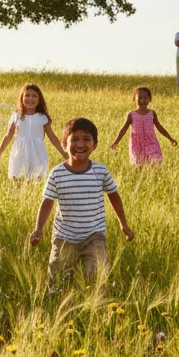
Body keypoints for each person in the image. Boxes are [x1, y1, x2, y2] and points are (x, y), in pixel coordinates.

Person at [30, 117, 133, 282]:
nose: (80, 144)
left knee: (97, 277)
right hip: (64, 237)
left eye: (86, 139)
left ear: (95, 145)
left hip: (94, 236)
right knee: (57, 280)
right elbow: (47, 203)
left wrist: (123, 223)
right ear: (64, 144)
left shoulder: (101, 171)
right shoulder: (57, 174)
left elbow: (114, 196)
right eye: (74, 139)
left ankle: (97, 304)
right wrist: (38, 229)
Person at [0, 83, 68, 181]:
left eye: (34, 96)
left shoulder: (42, 117)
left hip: (37, 153)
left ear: (39, 99)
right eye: (27, 95)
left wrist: (63, 152)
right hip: (19, 153)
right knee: (18, 180)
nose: (30, 99)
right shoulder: (17, 115)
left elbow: (52, 137)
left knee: (35, 180)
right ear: (22, 98)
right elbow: (8, 136)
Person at [110, 86, 178, 165]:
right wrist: (116, 142)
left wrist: (170, 138)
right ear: (134, 99)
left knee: (155, 163)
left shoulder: (152, 113)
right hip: (137, 144)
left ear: (150, 99)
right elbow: (123, 129)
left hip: (151, 142)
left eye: (145, 98)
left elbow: (160, 127)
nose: (142, 100)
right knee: (139, 166)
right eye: (140, 98)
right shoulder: (131, 115)